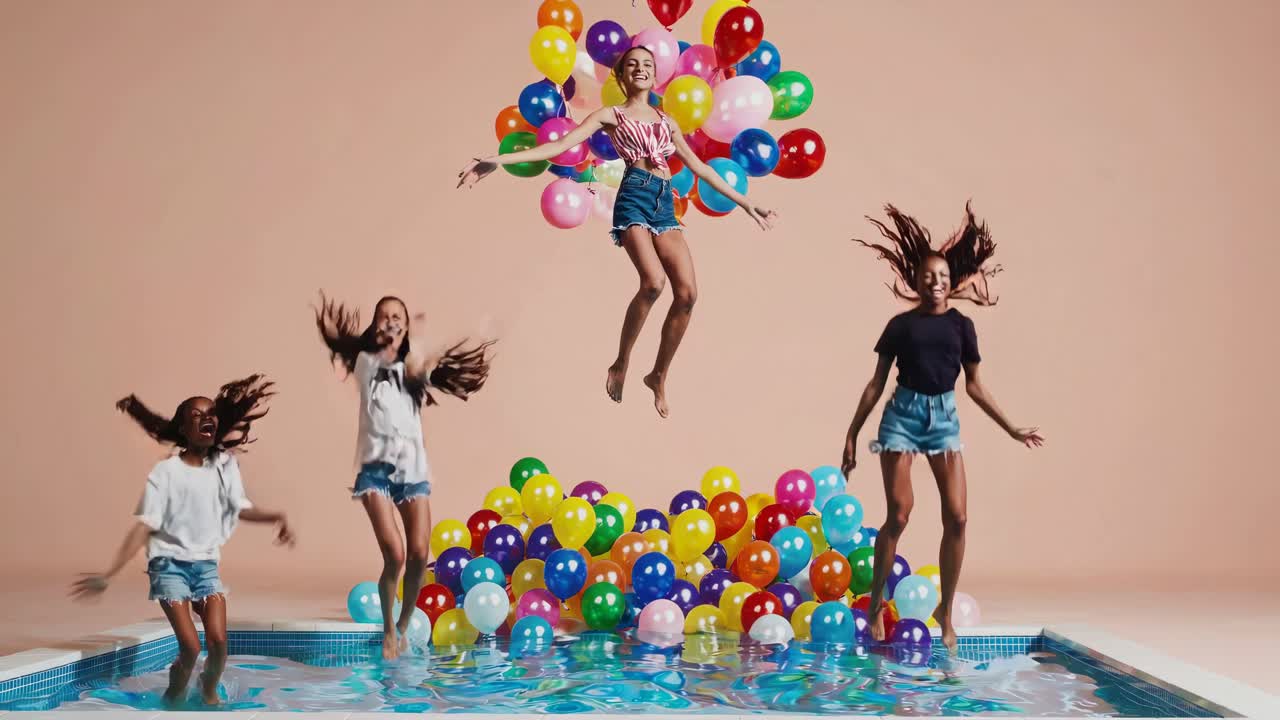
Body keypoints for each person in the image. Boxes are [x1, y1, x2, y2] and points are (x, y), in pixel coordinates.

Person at [457, 46, 778, 418]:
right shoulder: (611, 115)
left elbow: (701, 169)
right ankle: (621, 362)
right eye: (632, 65)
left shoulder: (667, 120)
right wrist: (495, 160)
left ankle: (657, 375)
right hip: (634, 198)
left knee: (688, 294)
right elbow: (557, 146)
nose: (640, 69)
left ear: (655, 77)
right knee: (653, 283)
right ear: (622, 77)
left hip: (663, 201)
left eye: (647, 65)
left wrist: (746, 203)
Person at [840, 203, 1044, 652]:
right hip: (902, 418)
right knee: (899, 514)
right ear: (915, 281)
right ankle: (876, 603)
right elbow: (876, 384)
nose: (936, 283)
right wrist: (853, 434)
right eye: (928, 277)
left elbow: (975, 386)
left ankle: (944, 611)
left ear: (952, 282)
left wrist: (1011, 428)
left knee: (958, 516)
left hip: (944, 419)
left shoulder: (962, 326)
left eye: (943, 277)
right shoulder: (899, 326)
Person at [71, 375, 294, 706]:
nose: (207, 418)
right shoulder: (166, 473)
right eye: (195, 414)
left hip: (205, 567)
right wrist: (109, 574)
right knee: (191, 646)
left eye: (210, 413)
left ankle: (207, 686)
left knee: (219, 643)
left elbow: (241, 507)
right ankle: (173, 696)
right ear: (182, 430)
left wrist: (275, 517)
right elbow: (143, 527)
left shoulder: (225, 466)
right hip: (169, 567)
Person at [315, 292, 494, 659]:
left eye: (397, 316)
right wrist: (396, 340)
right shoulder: (366, 363)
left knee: (417, 554)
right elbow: (379, 358)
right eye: (383, 316)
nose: (390, 321)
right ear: (374, 325)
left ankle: (403, 622)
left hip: (413, 472)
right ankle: (387, 629)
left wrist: (419, 341)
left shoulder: (413, 367)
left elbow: (417, 366)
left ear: (406, 325)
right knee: (394, 554)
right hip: (375, 473)